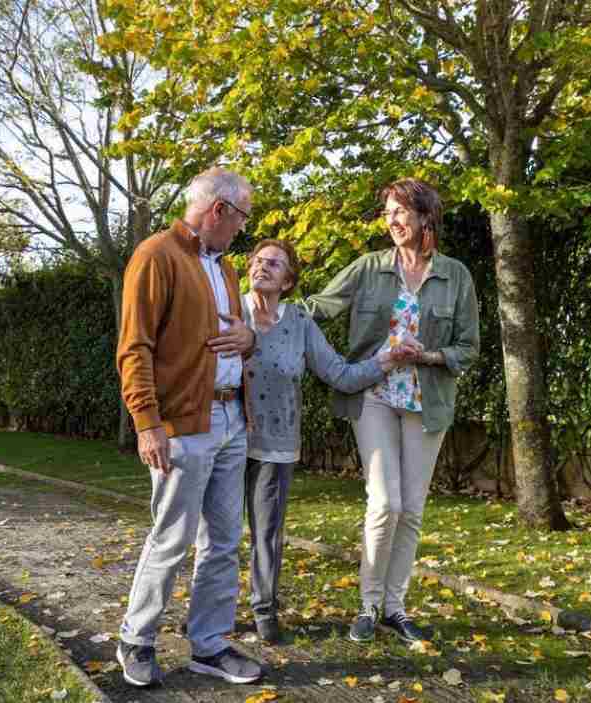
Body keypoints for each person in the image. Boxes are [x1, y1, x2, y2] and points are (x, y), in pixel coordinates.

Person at [302, 178, 479, 643]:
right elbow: (324, 303)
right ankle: (368, 603)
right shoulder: (368, 268)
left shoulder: (456, 275)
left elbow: (468, 347)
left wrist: (429, 356)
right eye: (388, 214)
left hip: (427, 400)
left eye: (401, 212)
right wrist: (270, 307)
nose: (393, 221)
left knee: (412, 510)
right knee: (385, 503)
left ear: (425, 216)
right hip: (375, 393)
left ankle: (395, 608)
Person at [115, 167, 263, 687]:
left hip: (229, 419)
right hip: (181, 425)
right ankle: (136, 638)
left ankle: (209, 644)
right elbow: (135, 347)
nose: (243, 228)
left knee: (224, 540)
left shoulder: (225, 269)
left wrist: (248, 339)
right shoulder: (157, 256)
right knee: (173, 537)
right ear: (219, 210)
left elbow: (237, 336)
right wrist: (147, 423)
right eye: (242, 216)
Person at [242, 239, 420, 644]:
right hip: (225, 436)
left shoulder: (300, 324)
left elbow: (339, 374)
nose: (262, 267)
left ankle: (264, 609)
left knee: (267, 532)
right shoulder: (229, 311)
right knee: (211, 533)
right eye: (257, 260)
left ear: (288, 281)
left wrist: (387, 360)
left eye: (274, 264)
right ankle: (207, 612)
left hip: (276, 442)